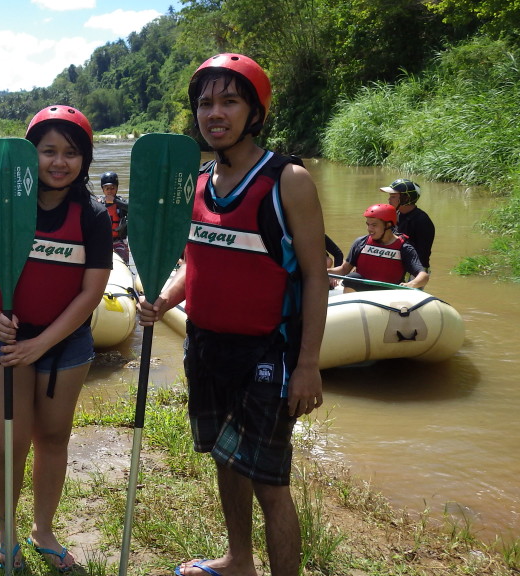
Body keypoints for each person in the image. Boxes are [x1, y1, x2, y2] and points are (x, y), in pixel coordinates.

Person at [137, 53, 328, 576]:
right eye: (205, 103)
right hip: (207, 346)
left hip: (268, 351)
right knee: (226, 457)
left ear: (255, 111)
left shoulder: (288, 180)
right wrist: (165, 299)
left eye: (229, 100)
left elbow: (316, 277)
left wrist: (308, 364)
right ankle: (238, 560)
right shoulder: (196, 182)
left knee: (270, 482)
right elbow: (193, 263)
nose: (214, 113)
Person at [0, 105, 113, 572]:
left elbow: (93, 289)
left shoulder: (91, 215)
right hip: (3, 340)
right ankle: (7, 534)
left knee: (53, 438)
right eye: (48, 151)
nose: (59, 162)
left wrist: (43, 342)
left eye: (71, 153)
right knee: (9, 441)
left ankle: (43, 531)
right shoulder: (0, 205)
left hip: (64, 342)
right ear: (32, 156)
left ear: (84, 160)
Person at [327, 203, 429, 292]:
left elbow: (423, 276)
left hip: (387, 296)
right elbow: (344, 269)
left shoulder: (404, 248)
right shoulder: (360, 242)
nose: (369, 229)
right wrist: (324, 271)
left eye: (374, 225)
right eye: (368, 224)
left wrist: (410, 284)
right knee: (352, 277)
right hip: (362, 295)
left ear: (388, 225)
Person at [382, 178, 435, 273]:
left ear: (406, 198)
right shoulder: (394, 215)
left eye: (393, 196)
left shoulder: (422, 221)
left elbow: (422, 255)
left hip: (415, 270)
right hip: (395, 264)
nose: (389, 199)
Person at [98, 171, 130, 263]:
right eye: (107, 188)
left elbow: (132, 209)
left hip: (119, 241)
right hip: (102, 241)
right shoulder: (98, 203)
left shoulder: (121, 203)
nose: (109, 191)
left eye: (112, 188)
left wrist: (115, 201)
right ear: (102, 189)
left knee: (123, 260)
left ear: (116, 189)